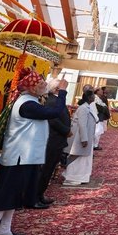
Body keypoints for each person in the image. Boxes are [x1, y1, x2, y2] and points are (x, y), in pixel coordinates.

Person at [0, 69, 67, 235]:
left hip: (24, 157)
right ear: (31, 88)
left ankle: (4, 230)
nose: (44, 87)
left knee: (13, 196)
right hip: (18, 158)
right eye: (40, 84)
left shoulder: (29, 101)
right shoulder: (26, 105)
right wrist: (62, 92)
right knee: (3, 198)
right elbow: (54, 111)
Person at [36, 77, 71, 205]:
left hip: (57, 140)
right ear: (57, 89)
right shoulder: (51, 101)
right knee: (45, 169)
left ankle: (40, 194)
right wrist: (65, 130)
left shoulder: (55, 99)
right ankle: (36, 195)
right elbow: (53, 119)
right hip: (52, 139)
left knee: (49, 169)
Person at [63, 90, 97, 186]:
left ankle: (81, 176)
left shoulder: (88, 107)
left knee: (83, 158)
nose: (94, 97)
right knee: (76, 157)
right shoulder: (83, 108)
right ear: (89, 98)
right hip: (80, 138)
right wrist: (84, 139)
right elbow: (82, 125)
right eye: (93, 96)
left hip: (87, 137)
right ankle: (71, 177)